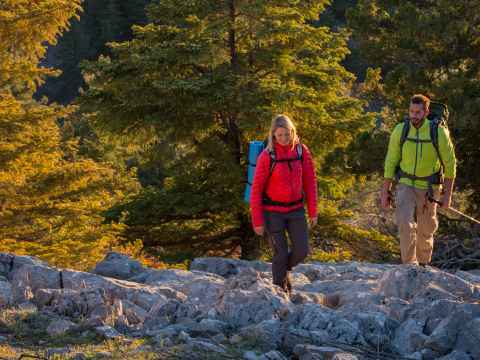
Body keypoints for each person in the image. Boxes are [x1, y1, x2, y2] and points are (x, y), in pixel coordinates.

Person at [380, 94, 456, 266]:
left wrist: (447, 195)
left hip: (430, 187)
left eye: (418, 112)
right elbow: (391, 161)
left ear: (426, 112)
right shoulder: (401, 130)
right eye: (411, 111)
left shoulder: (438, 132)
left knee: (426, 229)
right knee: (404, 223)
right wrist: (385, 191)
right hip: (405, 184)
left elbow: (450, 164)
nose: (414, 115)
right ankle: (409, 265)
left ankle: (423, 266)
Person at [250, 114, 317, 295]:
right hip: (272, 213)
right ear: (273, 135)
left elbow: (310, 182)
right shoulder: (267, 156)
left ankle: (283, 271)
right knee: (280, 254)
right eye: (279, 135)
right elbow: (256, 190)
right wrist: (257, 221)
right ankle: (280, 292)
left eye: (287, 134)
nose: (284, 139)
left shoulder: (301, 151)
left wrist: (313, 211)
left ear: (292, 132)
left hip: (296, 210)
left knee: (302, 251)